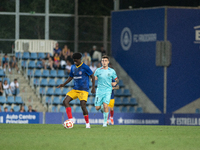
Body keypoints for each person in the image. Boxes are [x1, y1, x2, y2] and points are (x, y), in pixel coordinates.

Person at [57, 52, 95, 128]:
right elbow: (71, 77)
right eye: (74, 61)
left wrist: (93, 87)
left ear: (80, 59)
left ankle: (87, 123)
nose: (75, 62)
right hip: (75, 89)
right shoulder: (73, 67)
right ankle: (71, 119)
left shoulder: (85, 67)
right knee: (65, 101)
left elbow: (92, 76)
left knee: (83, 106)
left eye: (76, 60)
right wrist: (63, 84)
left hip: (83, 90)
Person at [94, 55, 119, 127]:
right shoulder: (98, 70)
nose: (104, 62)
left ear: (108, 62)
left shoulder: (112, 71)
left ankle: (105, 123)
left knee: (106, 105)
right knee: (97, 107)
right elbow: (94, 77)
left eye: (105, 61)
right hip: (99, 91)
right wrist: (93, 78)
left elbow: (117, 79)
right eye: (103, 61)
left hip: (108, 90)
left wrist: (116, 82)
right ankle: (102, 108)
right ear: (101, 62)